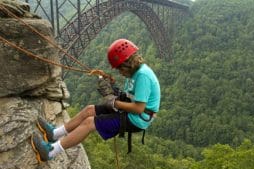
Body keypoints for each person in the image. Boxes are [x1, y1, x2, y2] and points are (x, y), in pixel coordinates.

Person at [31, 39, 161, 162]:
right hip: (130, 111)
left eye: (119, 69)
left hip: (137, 119)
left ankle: (50, 152)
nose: (120, 72)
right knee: (89, 110)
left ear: (127, 64)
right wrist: (107, 83)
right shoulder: (134, 72)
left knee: (89, 123)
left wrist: (114, 103)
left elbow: (139, 108)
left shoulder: (143, 76)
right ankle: (55, 134)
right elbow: (130, 95)